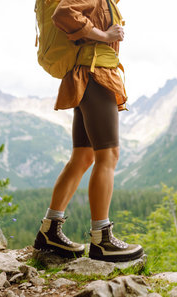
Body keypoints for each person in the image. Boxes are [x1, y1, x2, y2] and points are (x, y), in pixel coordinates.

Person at [33, 0, 144, 262]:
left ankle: (50, 231)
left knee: (83, 156)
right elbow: (63, 13)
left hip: (85, 74)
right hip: (95, 74)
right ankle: (102, 239)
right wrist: (105, 35)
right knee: (109, 155)